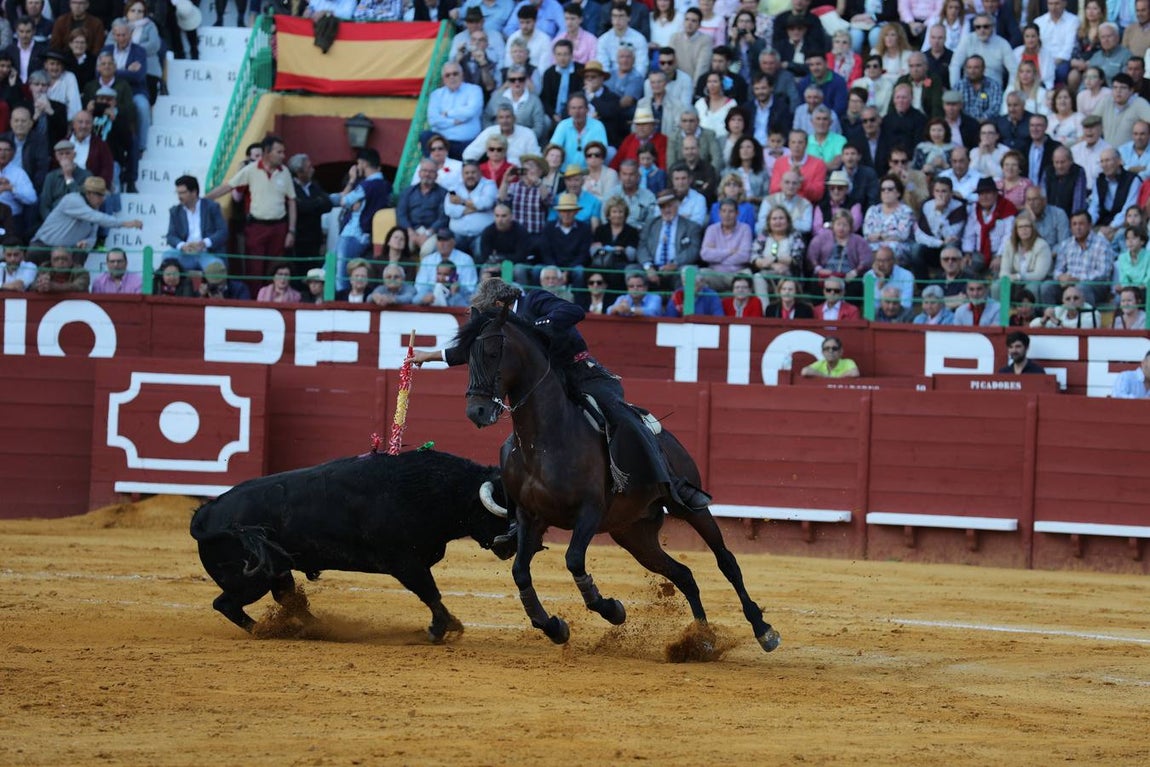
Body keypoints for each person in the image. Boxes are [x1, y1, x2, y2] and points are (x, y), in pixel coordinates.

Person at [410, 277, 714, 522]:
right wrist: (429, 356)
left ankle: (672, 485)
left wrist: (535, 326)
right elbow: (474, 350)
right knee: (515, 443)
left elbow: (573, 312)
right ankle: (519, 513)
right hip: (555, 386)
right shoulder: (502, 328)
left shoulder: (534, 301)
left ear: (501, 304)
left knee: (621, 419)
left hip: (586, 375)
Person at [205, 135, 297, 283]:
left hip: (279, 227)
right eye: (279, 152)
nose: (283, 156)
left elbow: (292, 201)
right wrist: (203, 199)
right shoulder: (251, 170)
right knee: (254, 268)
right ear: (267, 152)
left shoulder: (284, 172)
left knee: (276, 267)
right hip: (256, 226)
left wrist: (291, 231)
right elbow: (229, 186)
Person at [30, 175, 142, 261]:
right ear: (88, 193)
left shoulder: (95, 211)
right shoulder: (72, 200)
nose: (103, 199)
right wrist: (124, 223)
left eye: (103, 195)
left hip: (65, 253)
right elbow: (95, 217)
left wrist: (86, 243)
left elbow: (92, 238)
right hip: (43, 247)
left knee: (80, 254)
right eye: (99, 195)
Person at [330, 148, 393, 291]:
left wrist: (352, 179)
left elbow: (343, 201)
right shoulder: (386, 185)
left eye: (359, 163)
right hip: (368, 235)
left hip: (353, 233)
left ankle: (341, 300)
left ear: (363, 163)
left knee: (341, 273)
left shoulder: (366, 185)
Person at [1046, 210, 1114, 306]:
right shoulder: (1066, 244)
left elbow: (1103, 273)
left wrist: (1077, 279)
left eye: (1081, 224)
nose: (1077, 227)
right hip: (1068, 283)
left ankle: (1086, 319)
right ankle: (1050, 318)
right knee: (1047, 287)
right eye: (1074, 224)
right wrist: (1061, 277)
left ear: (1089, 226)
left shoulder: (1102, 244)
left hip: (1094, 286)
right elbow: (1058, 269)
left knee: (1081, 287)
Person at [638, 189, 702, 292]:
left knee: (689, 273)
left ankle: (686, 307)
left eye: (670, 206)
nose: (666, 210)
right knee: (632, 271)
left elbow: (693, 250)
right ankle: (633, 306)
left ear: (677, 204)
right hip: (653, 267)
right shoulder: (651, 224)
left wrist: (675, 264)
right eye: (662, 207)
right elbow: (642, 246)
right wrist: (648, 267)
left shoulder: (691, 226)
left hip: (677, 268)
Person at [165, 175, 228, 273]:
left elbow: (223, 232)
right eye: (178, 193)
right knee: (167, 256)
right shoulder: (175, 211)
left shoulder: (212, 207)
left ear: (194, 192)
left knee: (216, 267)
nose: (179, 197)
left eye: (182, 193)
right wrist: (182, 245)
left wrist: (204, 243)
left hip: (207, 253)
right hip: (185, 253)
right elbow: (171, 236)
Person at [1032, 283, 1101, 327]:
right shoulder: (1060, 310)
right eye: (1068, 299)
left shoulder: (1092, 312)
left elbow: (1084, 327)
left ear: (1083, 299)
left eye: (1076, 298)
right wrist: (1044, 319)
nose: (1072, 301)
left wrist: (1057, 322)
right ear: (1063, 301)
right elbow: (1032, 325)